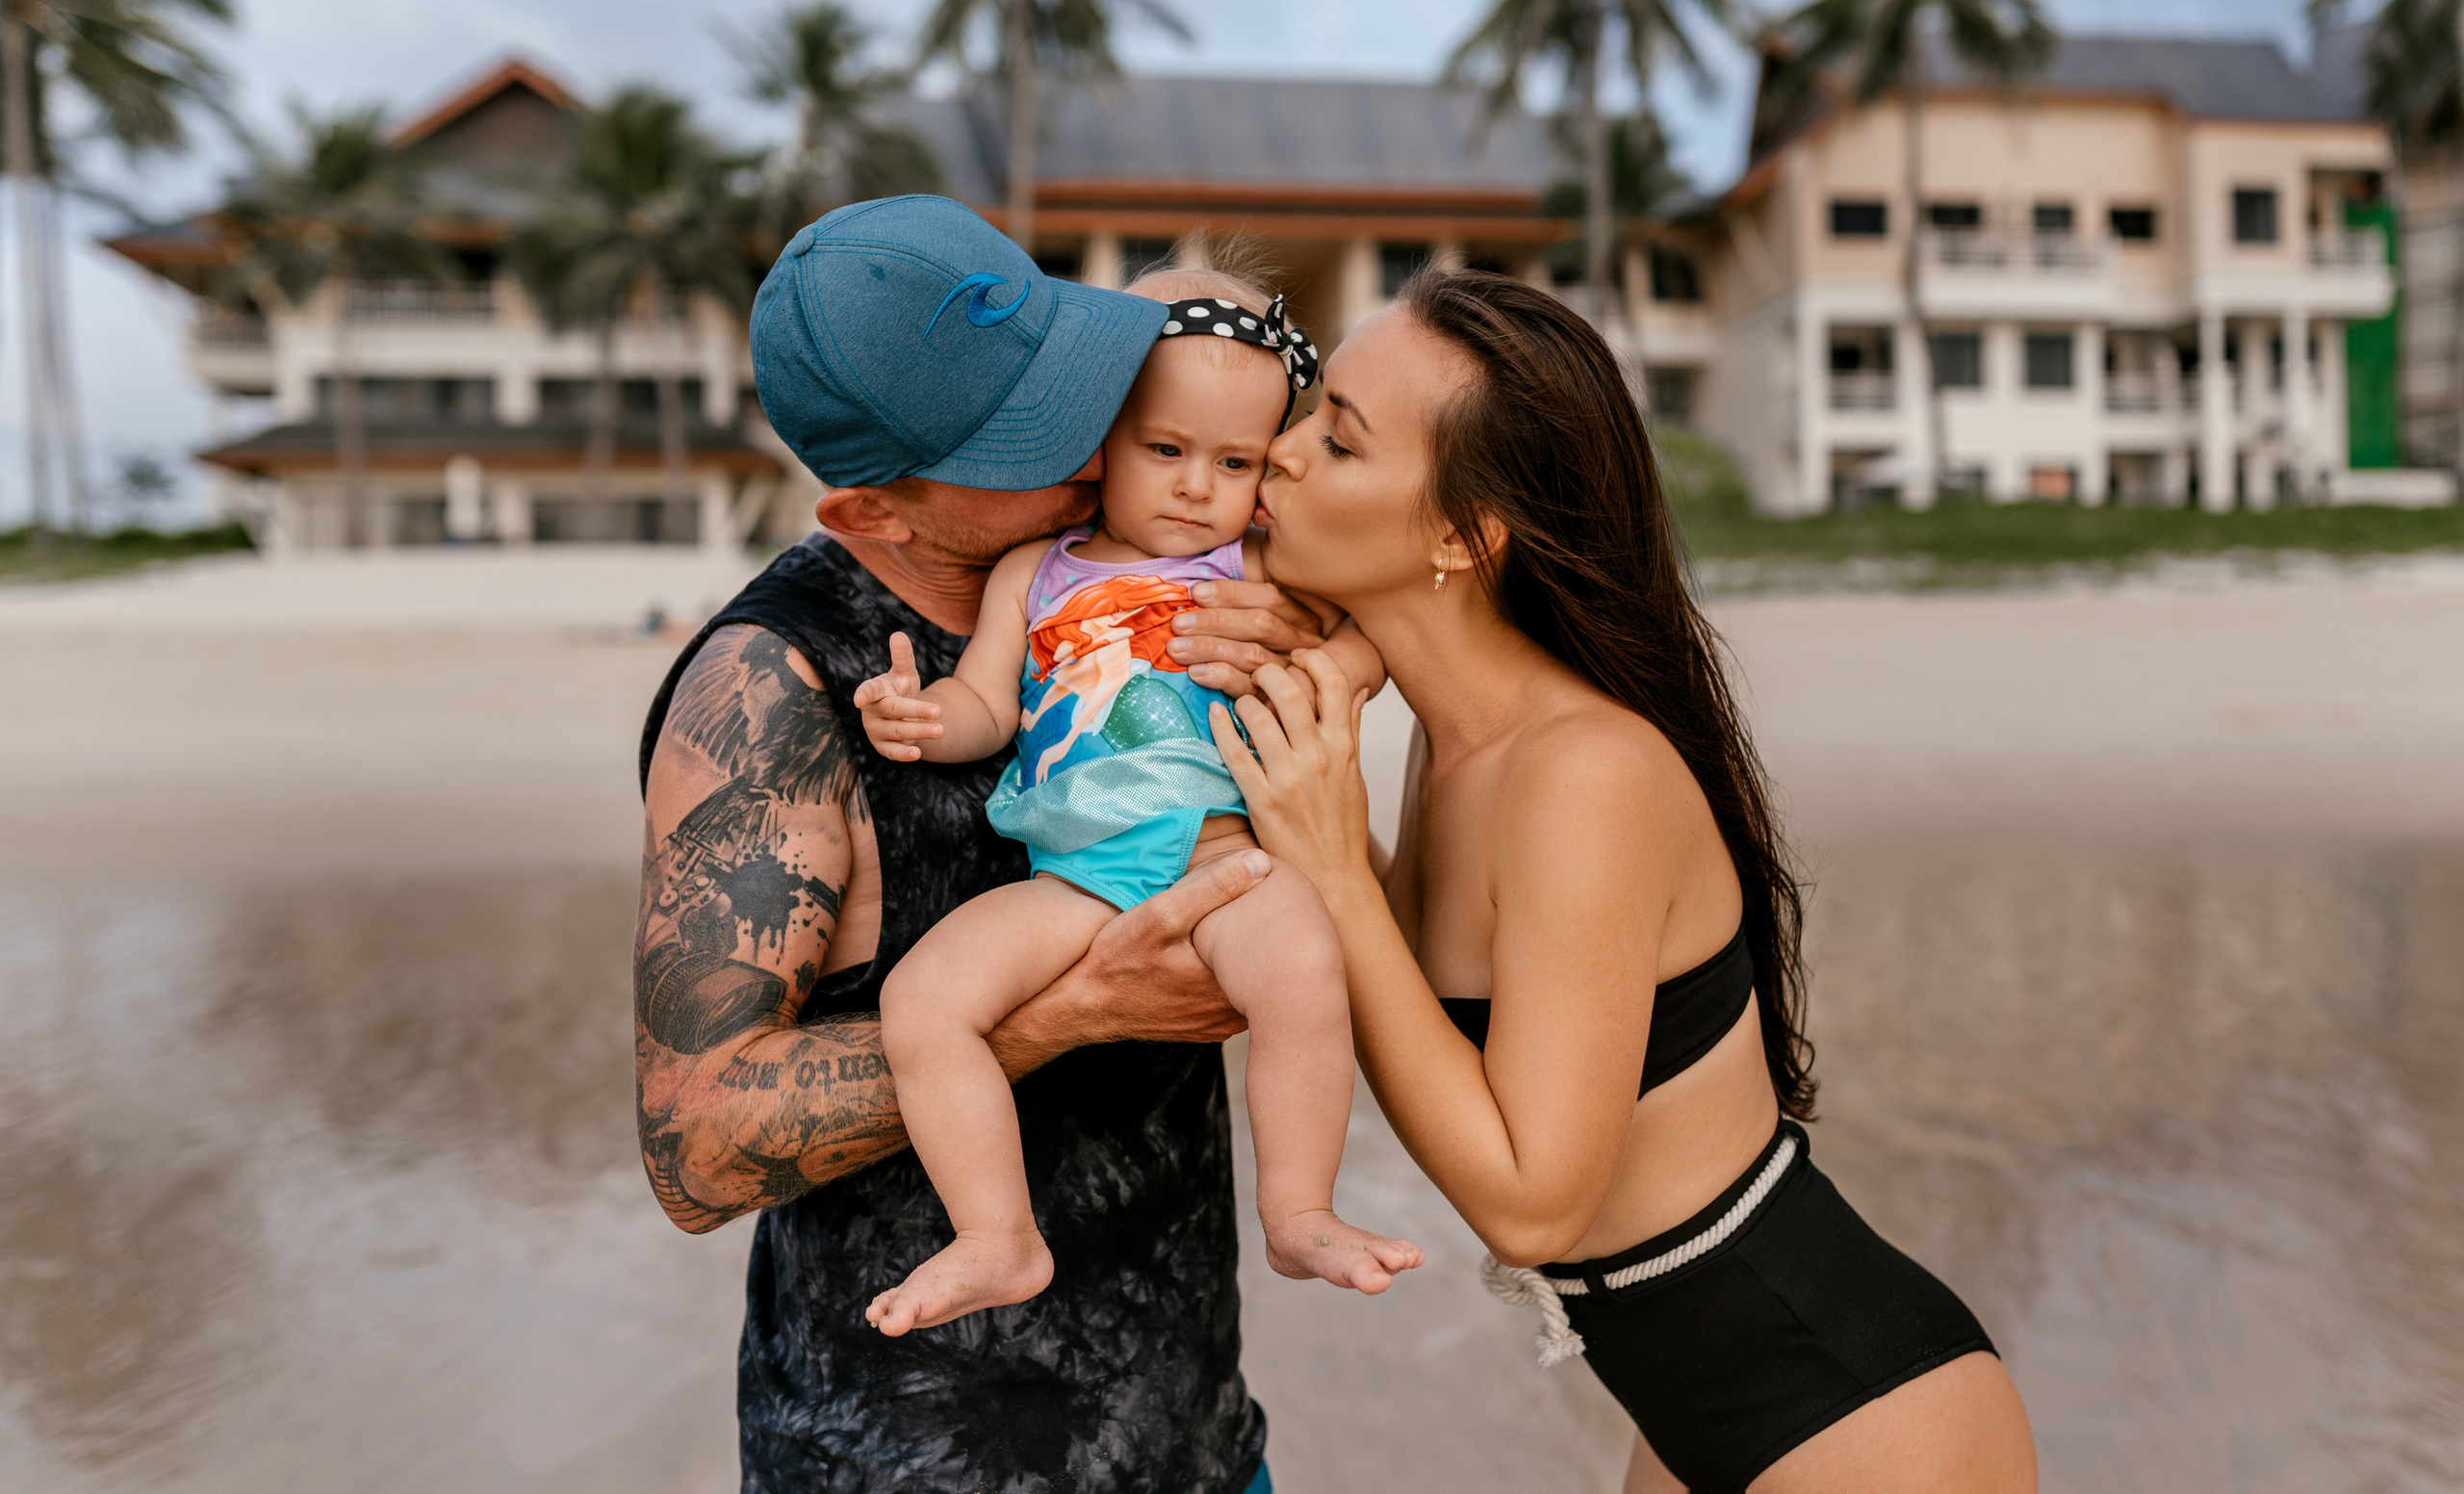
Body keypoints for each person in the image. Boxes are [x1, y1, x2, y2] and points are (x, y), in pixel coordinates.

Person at [1215, 269, 2040, 1494]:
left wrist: (1332, 861)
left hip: (1856, 1420)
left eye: (1334, 439)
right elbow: (1409, 1008)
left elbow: (1533, 1208)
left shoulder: (1581, 773)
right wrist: (1311, 778)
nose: (1275, 457)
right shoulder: (1460, 744)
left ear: (1461, 534)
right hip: (1691, 1413)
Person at [633, 196, 1322, 1493]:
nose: (1087, 432)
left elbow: (1233, 351)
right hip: (904, 1458)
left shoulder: (1157, 550)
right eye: (1021, 433)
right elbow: (696, 1141)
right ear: (870, 512)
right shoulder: (775, 689)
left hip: (1194, 1433)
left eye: (1068, 377)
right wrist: (1076, 1006)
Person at [851, 267, 1420, 1337]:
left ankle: (1299, 1209)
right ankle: (996, 1234)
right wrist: (922, 717)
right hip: (1074, 880)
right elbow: (984, 700)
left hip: (1220, 859)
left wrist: (1337, 670)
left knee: (1301, 967)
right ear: (1100, 445)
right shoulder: (1036, 569)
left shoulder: (1254, 561)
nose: (1197, 486)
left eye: (1235, 461)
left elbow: (1375, 618)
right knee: (922, 1003)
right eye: (1166, 450)